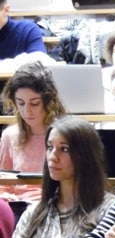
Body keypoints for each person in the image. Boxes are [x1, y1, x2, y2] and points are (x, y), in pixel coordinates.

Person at [0, 62, 66, 205]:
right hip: (16, 206)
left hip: (51, 206)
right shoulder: (10, 135)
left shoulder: (65, 135)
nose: (27, 111)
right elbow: (4, 184)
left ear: (49, 101)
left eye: (34, 103)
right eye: (20, 103)